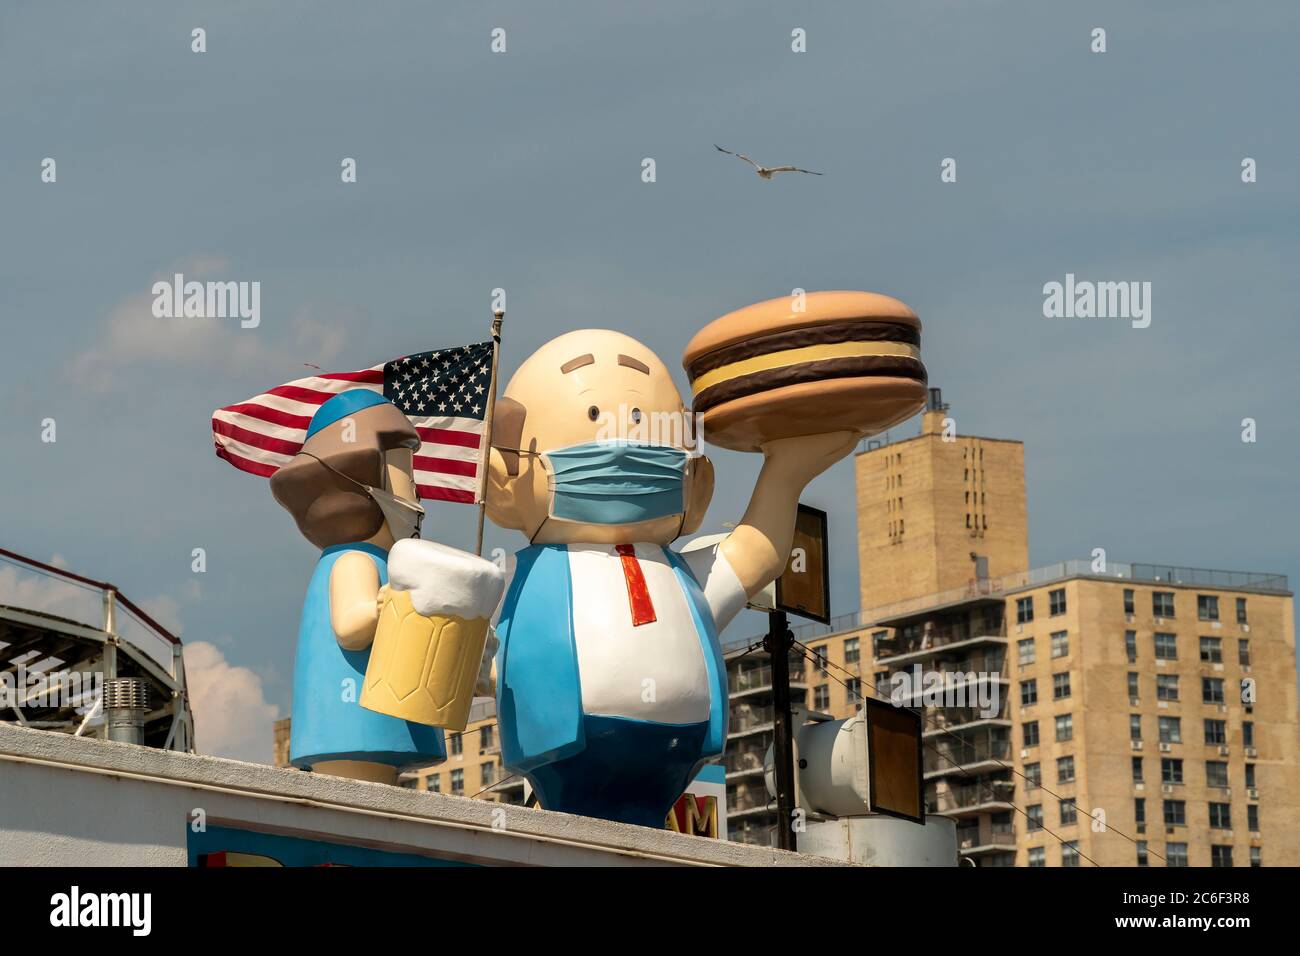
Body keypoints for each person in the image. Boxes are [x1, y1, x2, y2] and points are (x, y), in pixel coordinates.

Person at [485, 329, 857, 826]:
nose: (622, 447)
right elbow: (473, 652)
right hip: (565, 758)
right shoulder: (522, 580)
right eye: (595, 418)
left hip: (676, 757)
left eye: (641, 422)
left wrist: (787, 468)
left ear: (696, 477)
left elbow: (755, 553)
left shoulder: (680, 576)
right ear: (505, 473)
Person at [270, 389, 445, 784]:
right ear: (363, 482)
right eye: (407, 478)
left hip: (376, 730)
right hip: (351, 727)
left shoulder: (379, 562)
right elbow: (351, 628)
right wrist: (386, 607)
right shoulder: (355, 561)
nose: (417, 497)